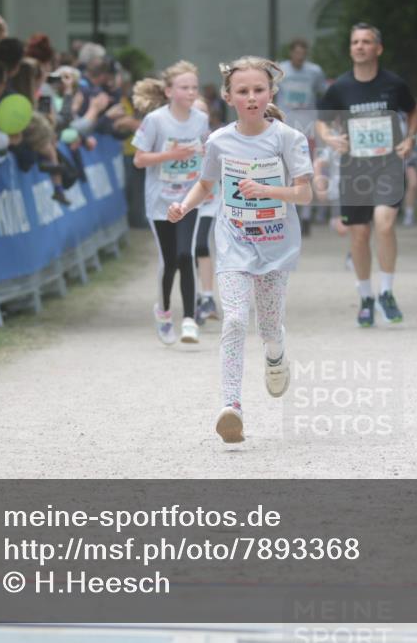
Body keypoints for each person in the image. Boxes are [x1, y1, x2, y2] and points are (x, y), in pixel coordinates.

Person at [167, 56, 313, 444]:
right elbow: (206, 185)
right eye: (243, 91)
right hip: (233, 242)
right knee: (233, 319)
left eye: (259, 90)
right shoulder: (218, 141)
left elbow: (305, 192)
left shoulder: (287, 138)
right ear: (230, 97)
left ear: (270, 93)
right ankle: (232, 407)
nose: (252, 98)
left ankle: (276, 351)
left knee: (267, 326)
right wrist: (184, 205)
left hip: (275, 245)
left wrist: (267, 191)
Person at [316, 23, 417, 327]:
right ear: (350, 49)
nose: (360, 46)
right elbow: (322, 121)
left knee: (384, 224)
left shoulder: (394, 84)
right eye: (355, 42)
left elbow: (414, 111)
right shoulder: (340, 88)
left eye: (366, 41)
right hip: (353, 170)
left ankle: (386, 291)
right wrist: (329, 138)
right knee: (359, 234)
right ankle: (365, 297)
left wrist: (410, 138)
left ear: (378, 48)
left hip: (387, 164)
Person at [131, 61, 209, 345]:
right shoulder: (156, 121)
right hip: (160, 201)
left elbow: (204, 154)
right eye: (184, 87)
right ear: (168, 92)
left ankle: (189, 319)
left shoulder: (200, 120)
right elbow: (139, 159)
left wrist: (207, 183)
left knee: (186, 254)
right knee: (169, 260)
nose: (191, 93)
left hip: (188, 198)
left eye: (194, 88)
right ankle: (164, 312)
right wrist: (171, 155)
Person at [277, 38, 327, 235]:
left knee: (306, 169)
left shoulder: (314, 71)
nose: (299, 57)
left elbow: (322, 92)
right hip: (286, 125)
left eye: (303, 53)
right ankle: (288, 212)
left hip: (307, 126)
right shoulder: (281, 70)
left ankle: (306, 215)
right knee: (284, 168)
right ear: (291, 53)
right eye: (296, 53)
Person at [189, 96, 220, 326]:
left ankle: (208, 296)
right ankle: (197, 295)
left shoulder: (214, 140)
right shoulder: (177, 138)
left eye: (203, 113)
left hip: (210, 201)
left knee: (201, 244)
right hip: (185, 202)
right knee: (186, 252)